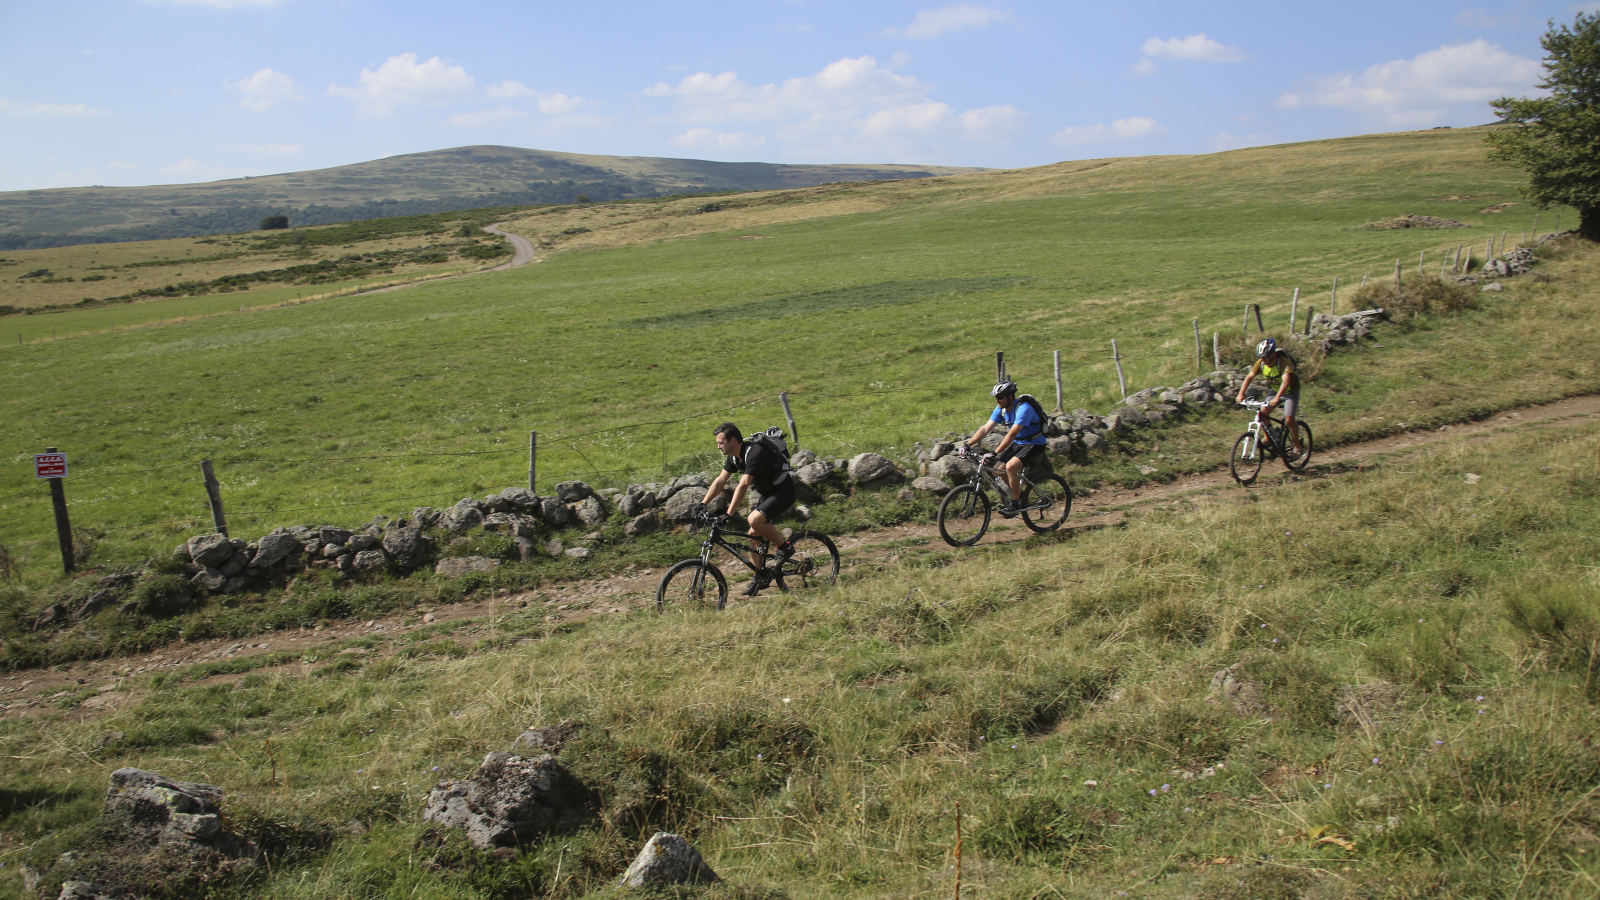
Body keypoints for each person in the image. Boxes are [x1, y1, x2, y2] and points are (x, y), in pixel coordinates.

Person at [694, 422, 797, 594]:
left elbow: (743, 485)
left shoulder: (755, 452)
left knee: (754, 520)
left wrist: (729, 514)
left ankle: (785, 547)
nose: (718, 446)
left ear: (733, 440)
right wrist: (703, 503)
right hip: (767, 494)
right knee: (753, 534)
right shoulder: (734, 457)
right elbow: (720, 480)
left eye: (721, 443)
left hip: (783, 492)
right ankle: (760, 577)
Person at [961, 380, 1047, 516]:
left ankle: (1014, 504)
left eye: (1000, 397)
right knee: (997, 470)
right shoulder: (1001, 410)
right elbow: (985, 429)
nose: (997, 401)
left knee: (1010, 467)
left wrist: (994, 452)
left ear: (1010, 397)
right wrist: (967, 444)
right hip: (1019, 442)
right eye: (996, 398)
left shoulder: (1024, 408)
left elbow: (1012, 433)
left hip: (1035, 442)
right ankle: (1020, 496)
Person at [1236, 337, 1304, 460]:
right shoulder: (1261, 363)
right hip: (1276, 390)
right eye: (1261, 356)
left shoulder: (1283, 363)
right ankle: (1270, 438)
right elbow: (1249, 376)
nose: (1262, 359)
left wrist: (1277, 398)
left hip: (1290, 391)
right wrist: (1241, 393)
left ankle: (1297, 447)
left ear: (1273, 355)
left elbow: (1286, 382)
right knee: (1263, 414)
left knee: (1289, 420)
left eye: (1265, 356)